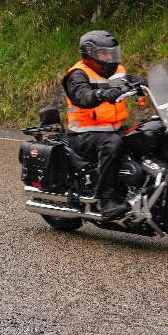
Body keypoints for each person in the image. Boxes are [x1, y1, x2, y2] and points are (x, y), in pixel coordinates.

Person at [62, 30, 146, 219]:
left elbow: (137, 81)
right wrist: (101, 94)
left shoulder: (119, 71)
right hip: (84, 135)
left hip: (114, 129)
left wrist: (165, 82)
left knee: (147, 134)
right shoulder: (78, 74)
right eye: (104, 54)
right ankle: (107, 200)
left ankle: (142, 189)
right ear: (89, 54)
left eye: (112, 53)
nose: (110, 58)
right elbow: (82, 95)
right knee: (112, 144)